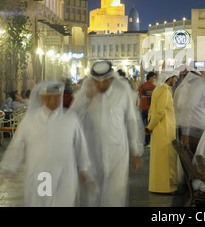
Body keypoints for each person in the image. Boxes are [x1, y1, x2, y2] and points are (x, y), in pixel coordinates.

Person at [0, 81, 93, 207]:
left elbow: (80, 146)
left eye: (57, 97)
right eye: (50, 97)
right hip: (43, 176)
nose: (54, 100)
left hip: (65, 175)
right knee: (42, 202)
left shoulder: (70, 119)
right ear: (42, 98)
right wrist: (7, 169)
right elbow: (17, 146)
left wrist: (84, 170)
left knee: (64, 202)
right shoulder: (30, 121)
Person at [69, 60, 144, 206]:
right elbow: (72, 118)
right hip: (91, 154)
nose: (100, 85)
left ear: (111, 78)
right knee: (91, 197)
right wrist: (86, 99)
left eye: (104, 82)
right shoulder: (86, 91)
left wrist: (135, 152)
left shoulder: (122, 91)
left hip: (116, 154)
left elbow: (131, 121)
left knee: (114, 196)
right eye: (97, 82)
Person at [145, 71, 179, 194]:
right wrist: (150, 126)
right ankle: (167, 188)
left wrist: (150, 125)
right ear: (169, 78)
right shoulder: (165, 92)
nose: (176, 81)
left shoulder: (157, 90)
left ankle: (157, 186)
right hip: (164, 129)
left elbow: (151, 110)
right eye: (175, 78)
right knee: (166, 159)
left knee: (158, 159)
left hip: (158, 129)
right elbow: (160, 112)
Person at [174, 70, 205, 153]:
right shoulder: (186, 88)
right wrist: (185, 133)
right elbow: (186, 109)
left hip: (195, 129)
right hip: (192, 130)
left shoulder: (191, 87)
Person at [138, 71, 157, 147]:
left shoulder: (142, 86)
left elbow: (138, 95)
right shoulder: (154, 87)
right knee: (149, 126)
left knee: (143, 126)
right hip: (150, 109)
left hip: (142, 108)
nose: (155, 79)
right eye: (154, 77)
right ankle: (148, 141)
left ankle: (143, 141)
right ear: (150, 77)